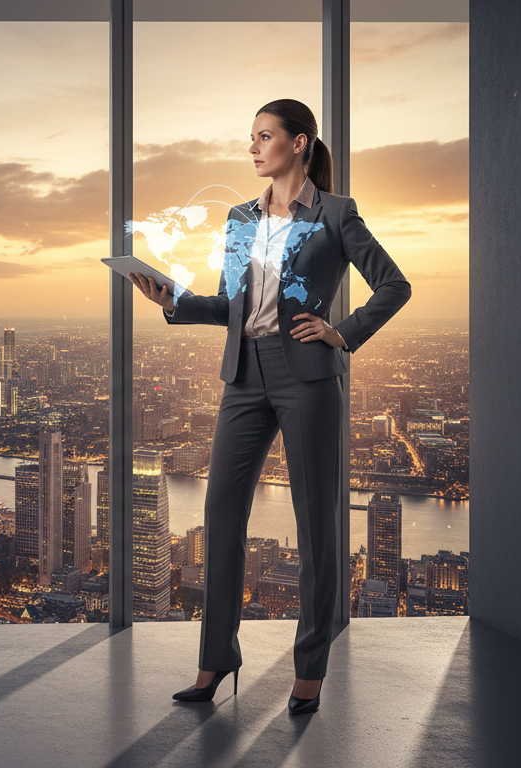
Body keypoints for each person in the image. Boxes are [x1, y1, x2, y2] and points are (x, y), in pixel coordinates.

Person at [129, 99, 411, 715]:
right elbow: (230, 305)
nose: (253, 148)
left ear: (298, 142)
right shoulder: (238, 219)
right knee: (220, 516)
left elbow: (395, 285)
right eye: (251, 138)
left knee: (315, 529)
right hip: (243, 376)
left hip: (305, 376)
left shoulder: (335, 213)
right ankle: (215, 660)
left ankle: (309, 672)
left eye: (264, 136)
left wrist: (342, 332)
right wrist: (172, 301)